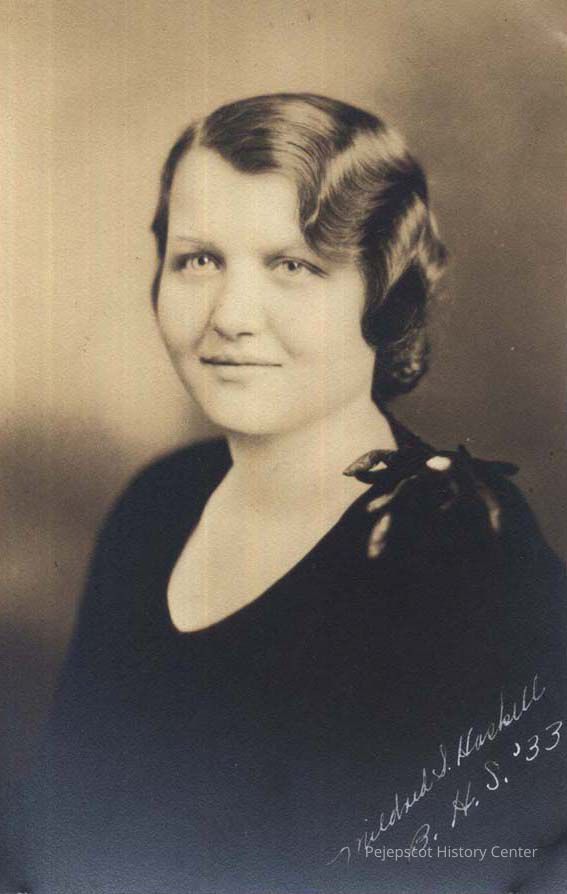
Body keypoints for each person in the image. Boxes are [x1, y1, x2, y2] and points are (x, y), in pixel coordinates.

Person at [24, 93, 567, 893]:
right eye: (198, 260)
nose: (230, 317)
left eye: (294, 265)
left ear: (384, 294)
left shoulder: (456, 543)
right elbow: (52, 843)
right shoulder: (158, 503)